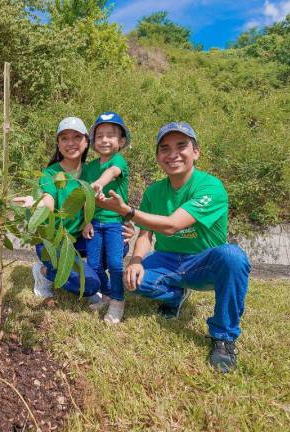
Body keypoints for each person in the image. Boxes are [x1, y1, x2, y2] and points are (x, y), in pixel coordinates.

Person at [96, 121, 251, 373]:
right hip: (167, 259)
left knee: (233, 257)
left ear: (196, 152)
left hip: (203, 261)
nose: (173, 154)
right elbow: (146, 234)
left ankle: (223, 337)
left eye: (181, 146)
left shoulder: (210, 187)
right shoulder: (155, 191)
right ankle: (175, 296)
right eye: (165, 148)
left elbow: (170, 226)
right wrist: (135, 260)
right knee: (131, 280)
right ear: (158, 156)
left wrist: (127, 211)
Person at [14, 117, 104, 302]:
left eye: (76, 137)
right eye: (64, 138)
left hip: (77, 238)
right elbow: (49, 202)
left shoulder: (92, 172)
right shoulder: (50, 174)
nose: (70, 143)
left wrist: (124, 223)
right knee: (91, 286)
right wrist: (35, 202)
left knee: (119, 242)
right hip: (53, 242)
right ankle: (45, 272)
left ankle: (85, 271)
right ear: (58, 143)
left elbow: (102, 202)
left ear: (87, 141)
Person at [81, 112, 131, 324]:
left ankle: (118, 302)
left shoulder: (118, 161)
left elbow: (111, 172)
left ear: (121, 142)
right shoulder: (89, 167)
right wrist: (85, 221)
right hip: (94, 223)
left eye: (111, 135)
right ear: (93, 142)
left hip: (114, 224)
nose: (104, 140)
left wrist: (99, 183)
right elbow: (85, 197)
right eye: (99, 136)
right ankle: (107, 294)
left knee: (115, 264)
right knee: (94, 264)